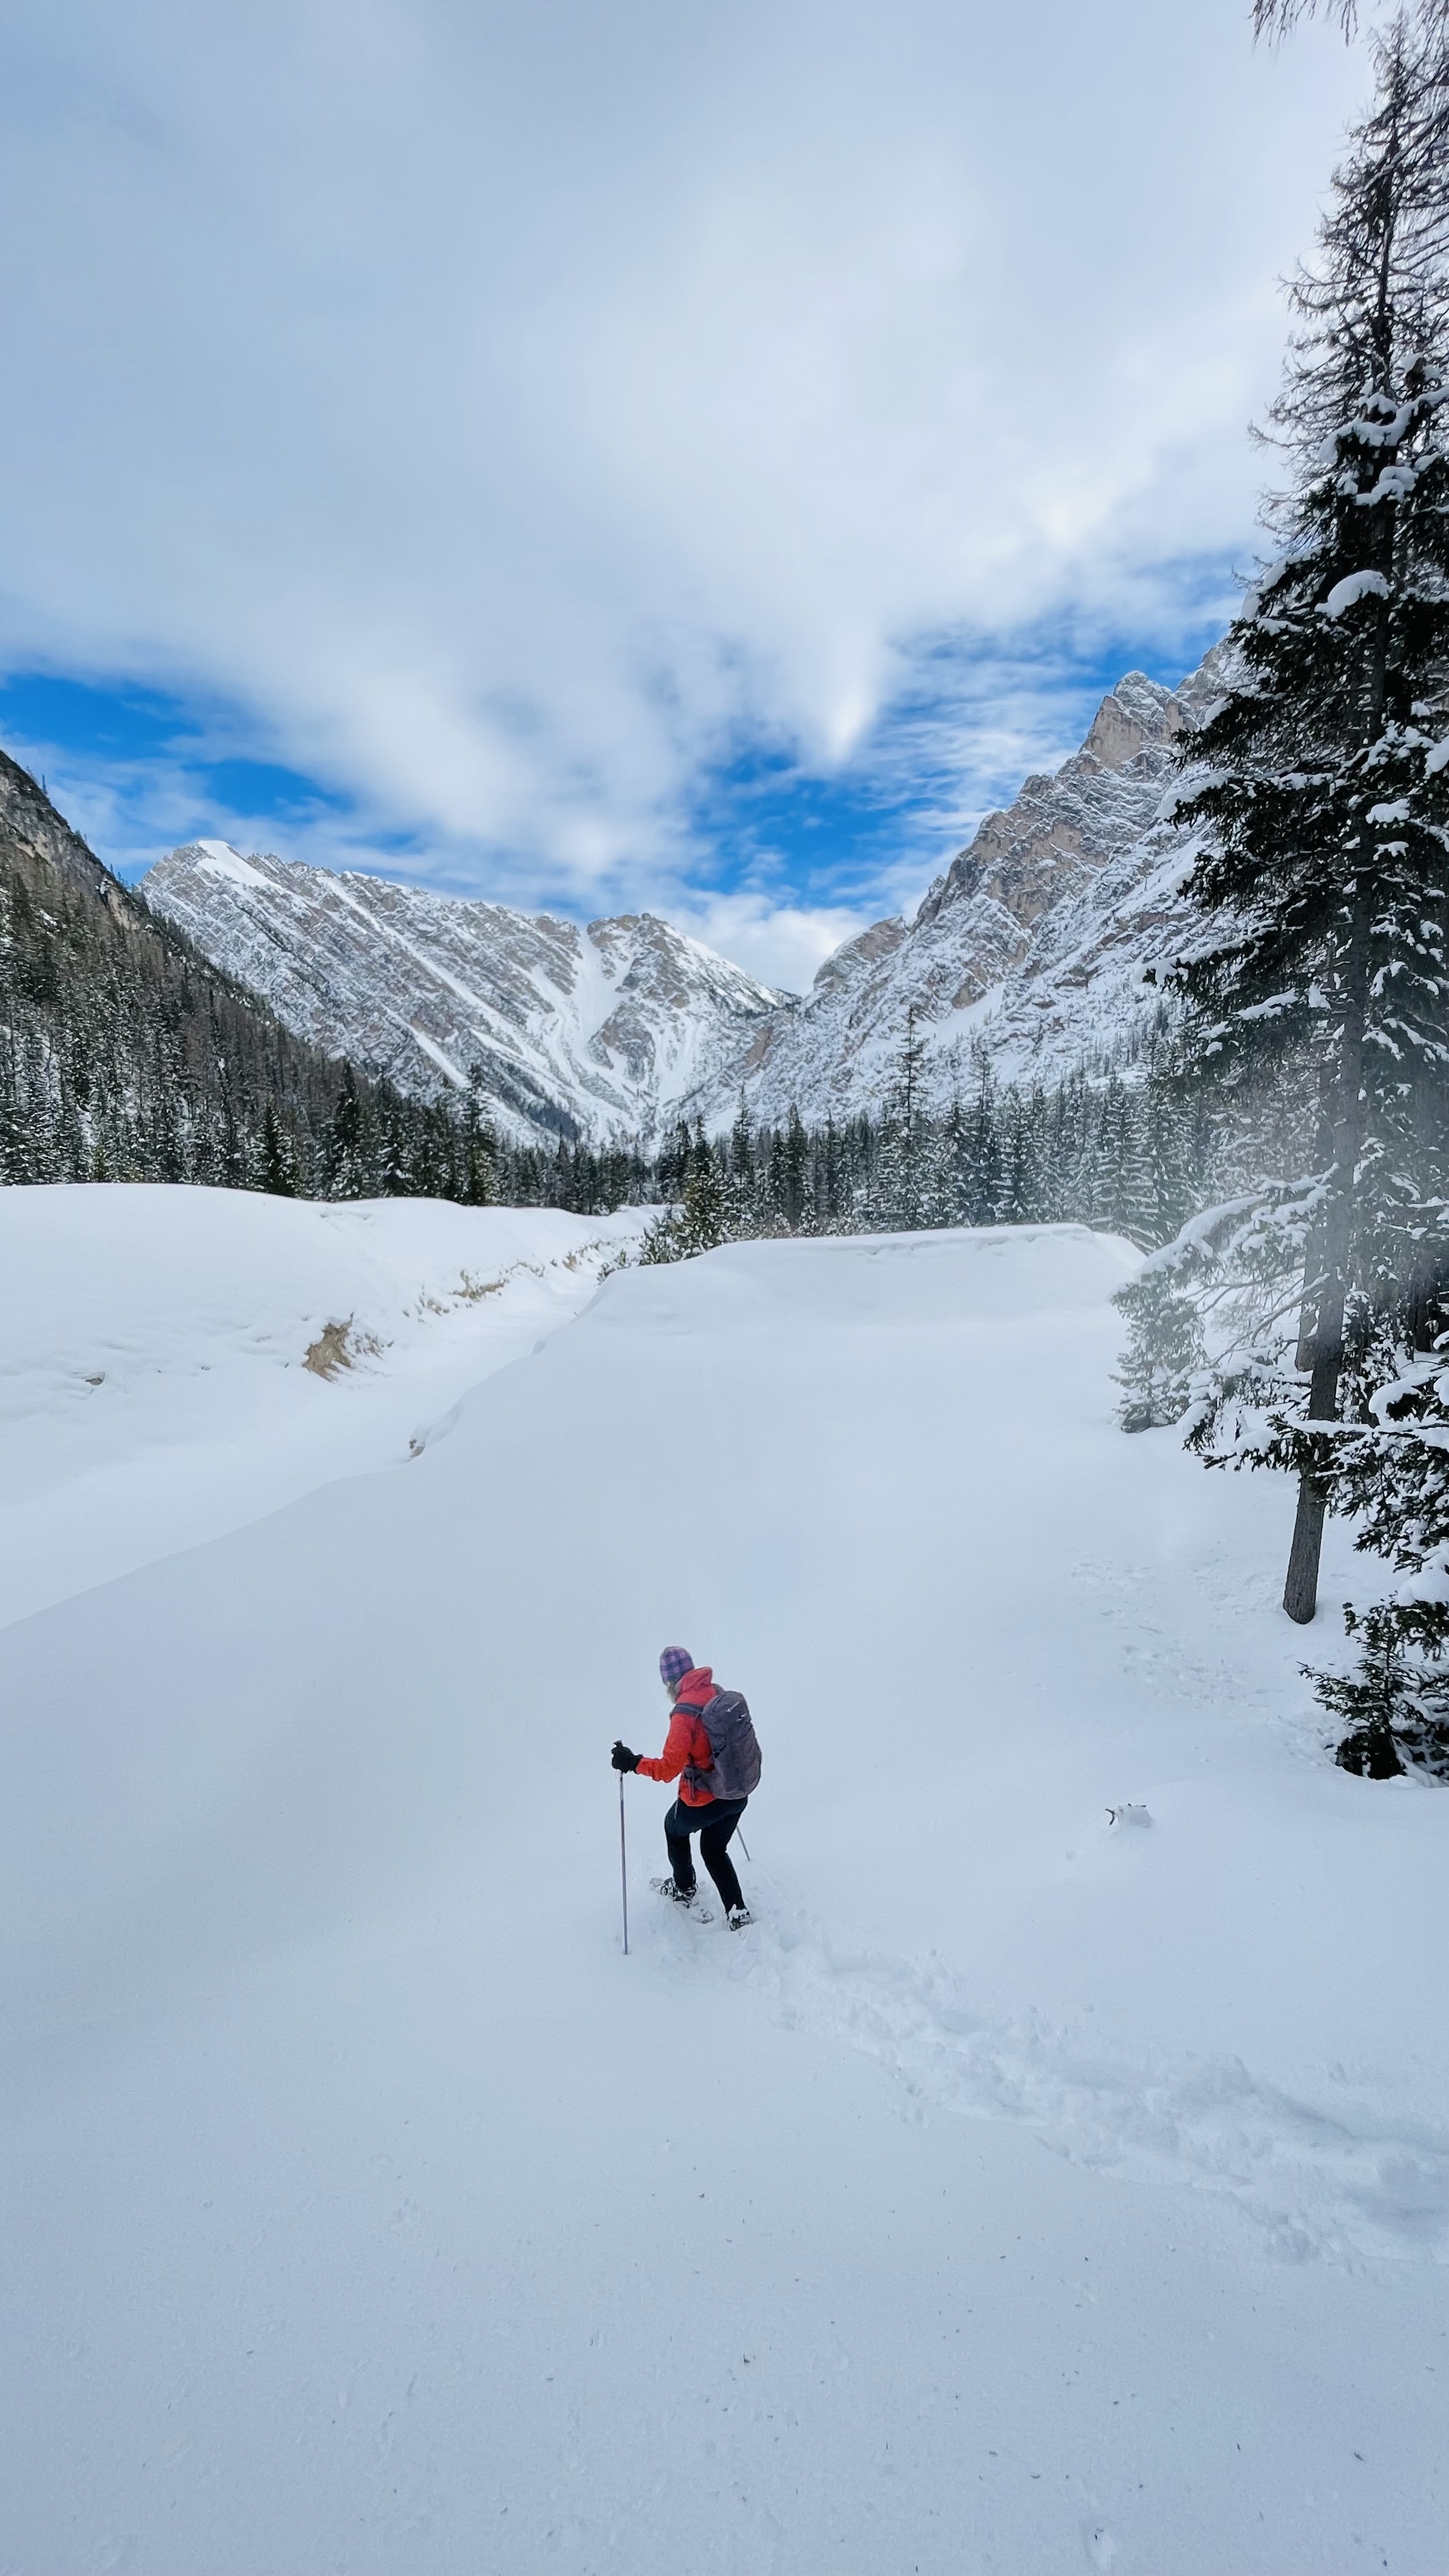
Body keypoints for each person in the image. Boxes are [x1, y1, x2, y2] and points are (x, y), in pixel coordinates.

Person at [611, 1647, 753, 1928]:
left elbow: (667, 1769)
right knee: (713, 1850)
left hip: (706, 1799)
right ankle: (738, 1912)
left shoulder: (684, 1714)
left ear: (670, 1682)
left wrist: (633, 1762)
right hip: (737, 1792)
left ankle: (684, 1887)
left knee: (673, 1828)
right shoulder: (717, 1692)